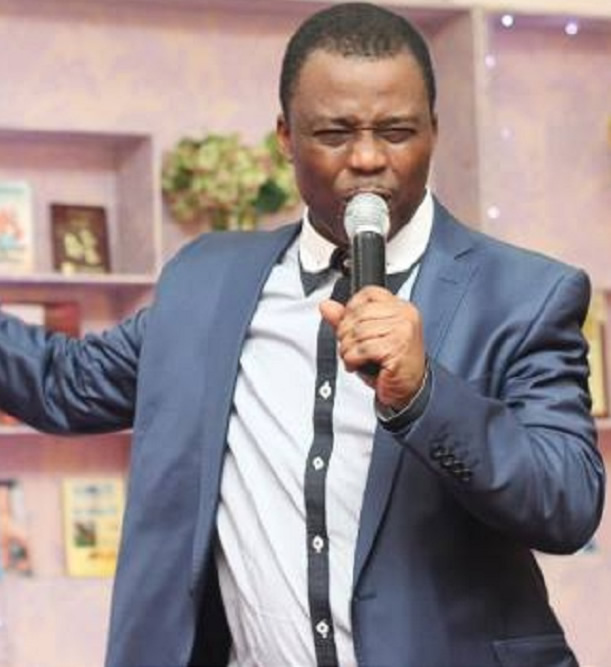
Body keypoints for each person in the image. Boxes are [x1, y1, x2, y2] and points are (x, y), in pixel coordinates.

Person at [0, 3, 605, 666]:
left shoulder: (525, 294)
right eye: (334, 133)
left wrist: (425, 397)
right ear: (286, 137)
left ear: (434, 130)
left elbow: (567, 503)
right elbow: (62, 383)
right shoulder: (206, 282)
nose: (367, 158)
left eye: (397, 131)